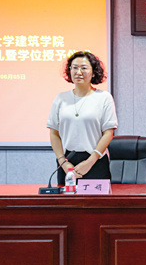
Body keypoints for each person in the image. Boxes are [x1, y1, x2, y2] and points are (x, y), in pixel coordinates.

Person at [47, 51, 117, 184]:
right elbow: (54, 133)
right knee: (66, 197)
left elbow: (108, 133)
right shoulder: (61, 98)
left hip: (95, 161)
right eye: (74, 68)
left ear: (94, 72)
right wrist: (62, 162)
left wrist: (90, 162)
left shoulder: (104, 98)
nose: (78, 72)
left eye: (84, 68)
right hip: (67, 162)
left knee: (96, 198)